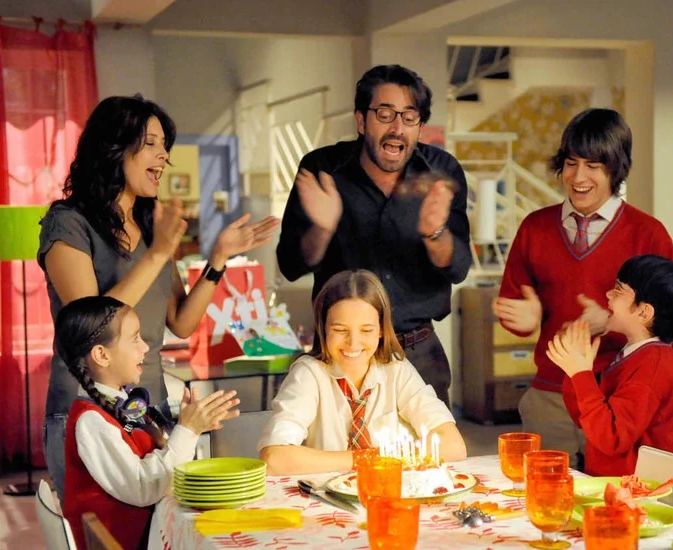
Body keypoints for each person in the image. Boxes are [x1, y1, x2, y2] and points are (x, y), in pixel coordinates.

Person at [38, 94, 279, 502]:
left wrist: (217, 260)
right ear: (114, 148)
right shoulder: (68, 223)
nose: (163, 155)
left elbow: (181, 323)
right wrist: (158, 255)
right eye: (150, 142)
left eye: (164, 145)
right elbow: (93, 325)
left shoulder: (153, 227)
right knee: (105, 538)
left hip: (150, 409)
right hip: (86, 411)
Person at [276, 65, 472, 406]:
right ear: (361, 120)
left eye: (409, 117)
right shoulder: (322, 169)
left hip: (419, 352)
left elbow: (457, 268)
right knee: (337, 454)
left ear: (419, 126)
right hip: (342, 352)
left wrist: (434, 233)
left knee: (428, 455)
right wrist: (322, 229)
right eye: (385, 114)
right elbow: (291, 264)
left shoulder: (441, 171)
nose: (397, 129)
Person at [493, 108, 673, 469]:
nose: (578, 177)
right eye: (571, 163)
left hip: (619, 400)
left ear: (616, 169)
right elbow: (516, 313)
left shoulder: (649, 234)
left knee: (616, 507)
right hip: (549, 397)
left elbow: (672, 326)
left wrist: (611, 322)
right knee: (545, 506)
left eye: (593, 165)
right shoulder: (534, 228)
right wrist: (529, 319)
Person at [54, 295, 240, 550]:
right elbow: (144, 488)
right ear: (101, 354)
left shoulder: (119, 405)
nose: (145, 347)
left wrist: (186, 428)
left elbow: (150, 460)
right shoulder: (91, 422)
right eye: (135, 339)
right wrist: (188, 430)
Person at [257, 270, 467, 475]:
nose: (353, 343)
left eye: (366, 330)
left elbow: (454, 446)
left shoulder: (396, 369)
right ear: (323, 327)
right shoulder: (309, 374)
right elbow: (274, 458)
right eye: (340, 330)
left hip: (389, 495)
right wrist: (367, 459)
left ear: (382, 329)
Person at [546, 255, 673, 476]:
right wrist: (577, 368)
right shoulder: (633, 354)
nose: (608, 295)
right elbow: (586, 420)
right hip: (614, 488)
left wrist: (580, 374)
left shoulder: (652, 367)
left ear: (644, 312)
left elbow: (612, 438)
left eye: (618, 291)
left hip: (642, 497)